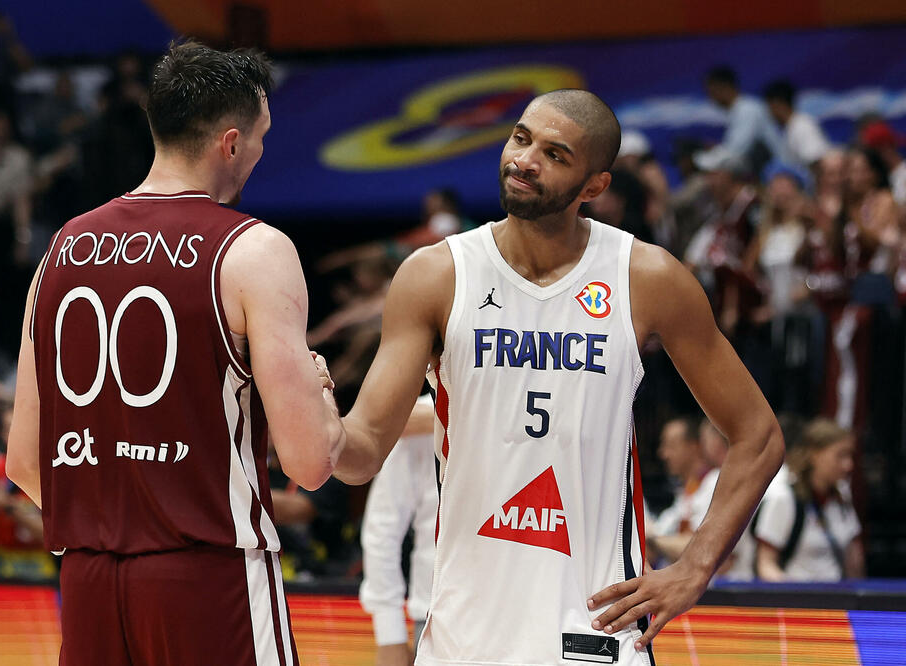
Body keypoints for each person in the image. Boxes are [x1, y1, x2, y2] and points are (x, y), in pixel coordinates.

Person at [332, 89, 784, 665]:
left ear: (594, 185)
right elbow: (363, 452)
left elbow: (759, 435)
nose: (524, 160)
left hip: (595, 635)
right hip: (464, 638)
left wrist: (696, 569)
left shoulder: (645, 275)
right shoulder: (437, 274)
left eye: (555, 154)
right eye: (521, 138)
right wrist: (319, 426)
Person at [6, 42, 345, 666]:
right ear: (232, 143)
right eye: (262, 137)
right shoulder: (253, 250)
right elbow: (311, 462)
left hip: (88, 583)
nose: (262, 154)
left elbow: (24, 464)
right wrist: (322, 392)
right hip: (208, 576)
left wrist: (118, 530)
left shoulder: (60, 249)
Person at [359, 395, 437, 665]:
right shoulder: (413, 419)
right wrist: (389, 633)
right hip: (433, 619)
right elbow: (382, 530)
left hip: (528, 615)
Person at [754, 419, 864, 581]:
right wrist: (792, 595)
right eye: (840, 455)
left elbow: (854, 561)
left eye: (850, 456)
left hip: (839, 601)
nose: (848, 465)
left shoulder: (842, 499)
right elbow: (766, 565)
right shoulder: (784, 498)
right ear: (814, 454)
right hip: (798, 600)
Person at [695, 66, 787, 176]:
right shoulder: (738, 111)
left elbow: (736, 151)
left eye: (711, 92)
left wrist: (709, 158)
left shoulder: (747, 110)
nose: (711, 98)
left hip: (779, 173)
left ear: (724, 87)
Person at [648, 418, 717, 564]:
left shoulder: (714, 483)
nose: (663, 453)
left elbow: (702, 549)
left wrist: (652, 539)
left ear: (694, 447)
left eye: (670, 446)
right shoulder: (686, 491)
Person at [762, 79, 831, 169]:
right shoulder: (791, 127)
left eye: (769, 107)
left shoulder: (802, 126)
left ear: (777, 104)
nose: (769, 113)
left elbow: (816, 160)